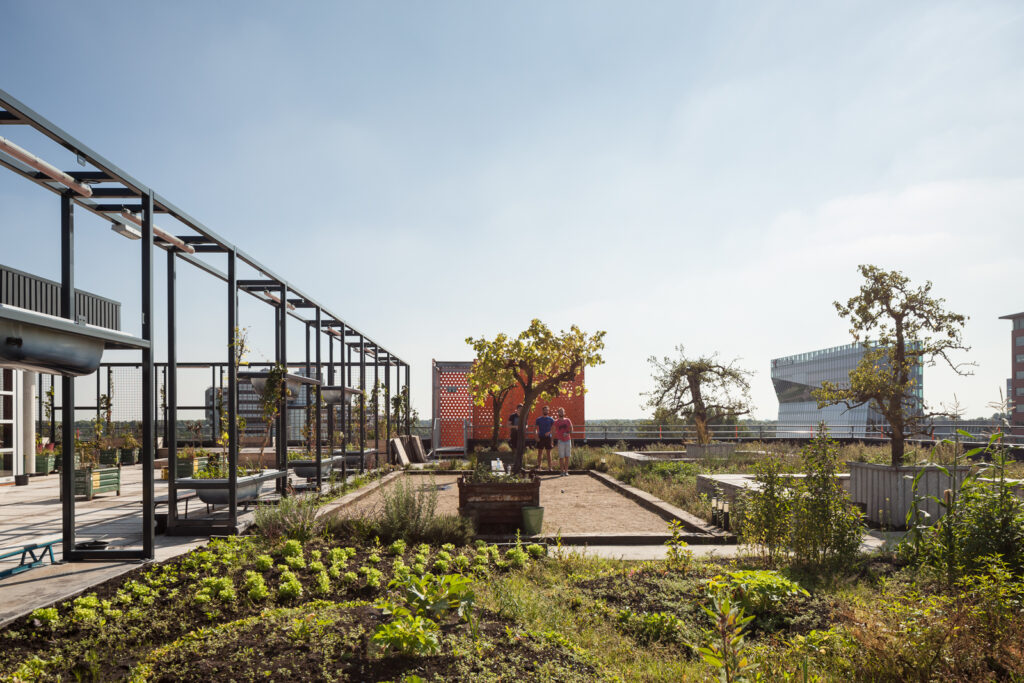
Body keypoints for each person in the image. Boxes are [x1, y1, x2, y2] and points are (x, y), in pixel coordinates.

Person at [552, 407, 573, 476]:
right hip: (560, 440)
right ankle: (561, 472)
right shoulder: (556, 422)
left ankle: (566, 471)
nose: (561, 413)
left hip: (567, 440)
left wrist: (567, 433)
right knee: (561, 457)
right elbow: (553, 431)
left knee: (567, 456)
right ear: (558, 413)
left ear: (564, 412)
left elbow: (571, 429)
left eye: (562, 411)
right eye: (560, 411)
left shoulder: (568, 420)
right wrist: (552, 440)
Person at [534, 406, 555, 470]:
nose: (545, 411)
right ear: (542, 411)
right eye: (544, 410)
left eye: (547, 410)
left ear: (548, 411)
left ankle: (550, 467)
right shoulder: (538, 419)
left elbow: (553, 430)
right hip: (541, 437)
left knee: (549, 453)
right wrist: (536, 437)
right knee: (540, 453)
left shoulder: (551, 419)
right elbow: (535, 429)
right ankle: (539, 467)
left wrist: (550, 435)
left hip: (548, 438)